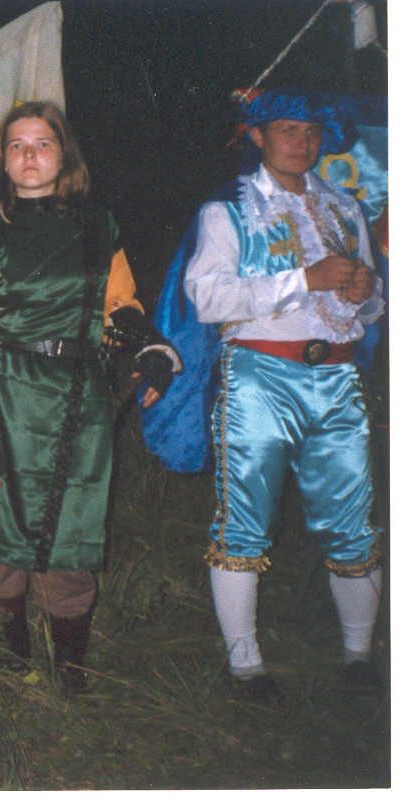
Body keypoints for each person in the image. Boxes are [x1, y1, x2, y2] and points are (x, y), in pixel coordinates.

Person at [155, 90, 384, 700]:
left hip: (337, 378)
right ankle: (246, 666)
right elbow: (207, 298)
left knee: (353, 523)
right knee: (244, 522)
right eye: (287, 130)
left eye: (311, 132)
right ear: (256, 135)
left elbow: (372, 307)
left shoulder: (345, 208)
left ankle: (359, 657)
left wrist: (365, 293)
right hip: (260, 376)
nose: (302, 142)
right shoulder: (228, 210)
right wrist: (302, 280)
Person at [0, 101, 179, 697]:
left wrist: (152, 345)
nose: (29, 155)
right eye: (17, 145)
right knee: (1, 527)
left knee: (71, 527)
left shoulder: (99, 228)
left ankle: (70, 670)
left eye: (42, 143)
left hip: (79, 397)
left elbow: (120, 303)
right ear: (3, 160)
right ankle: (8, 664)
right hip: (5, 396)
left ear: (64, 156)